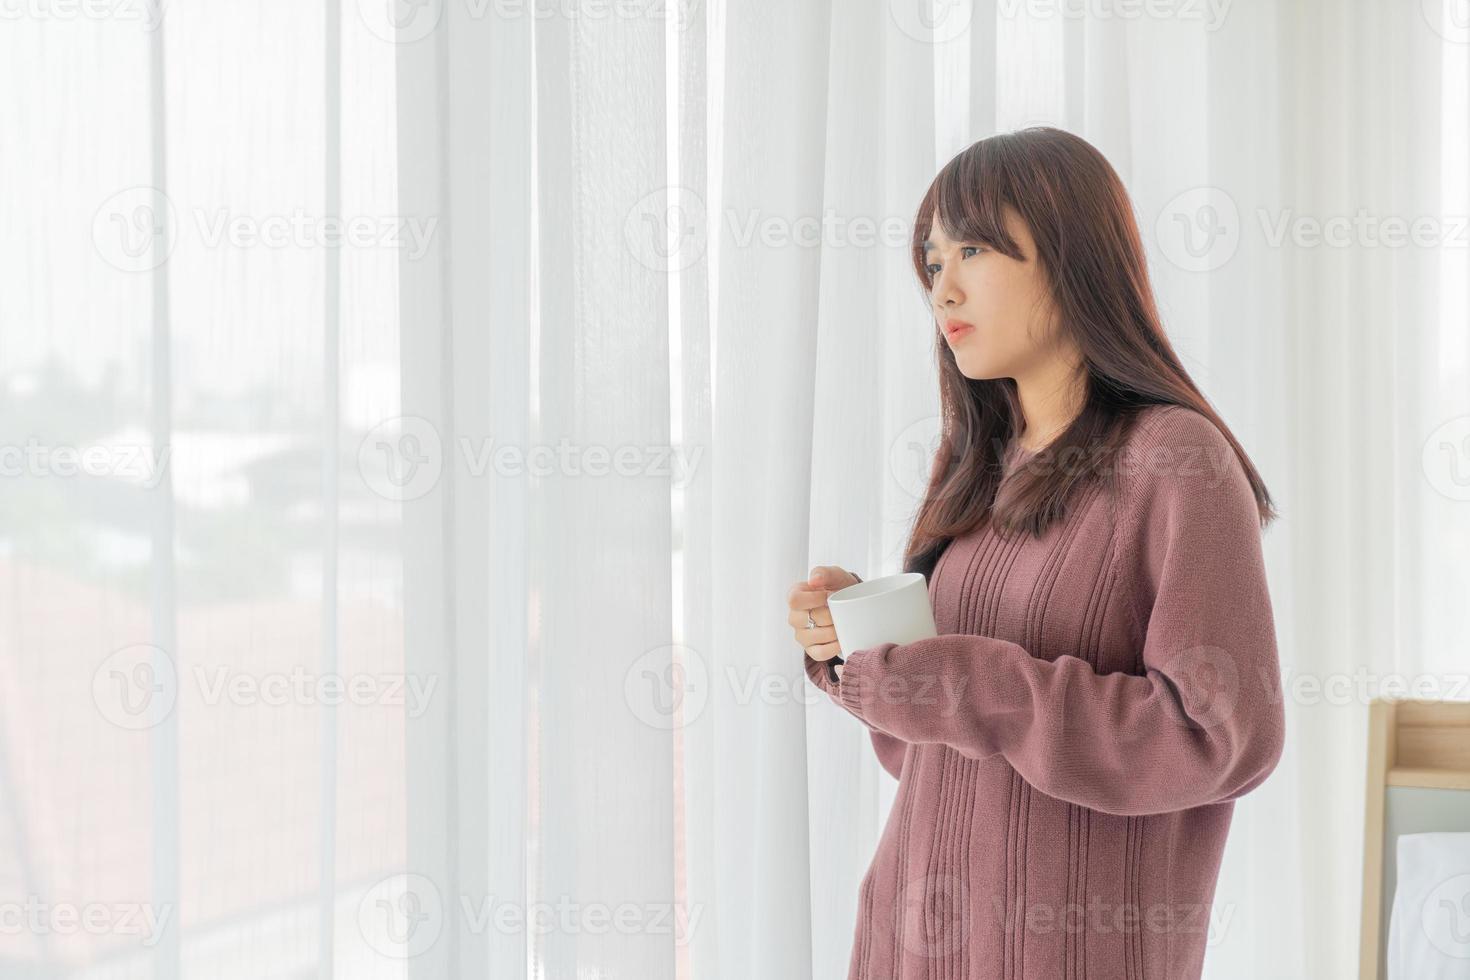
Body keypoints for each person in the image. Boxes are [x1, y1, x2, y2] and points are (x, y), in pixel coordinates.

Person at [787, 126, 1285, 980]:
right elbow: (929, 751)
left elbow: (1219, 739)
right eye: (932, 263)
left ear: (1069, 252)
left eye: (971, 249)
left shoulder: (1175, 456)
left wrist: (960, 677)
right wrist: (862, 653)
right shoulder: (976, 462)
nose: (943, 288)